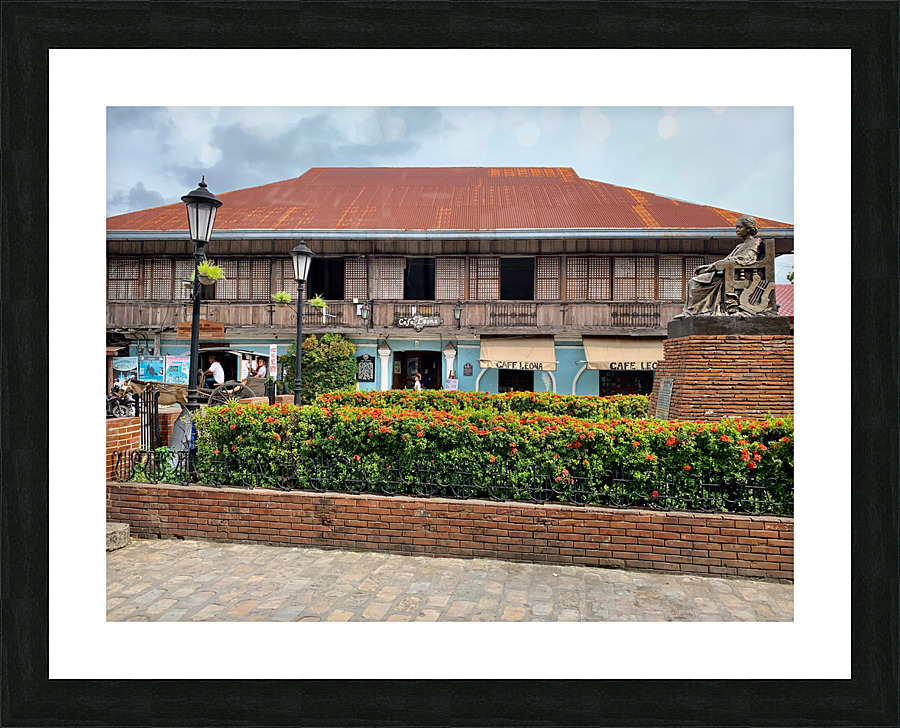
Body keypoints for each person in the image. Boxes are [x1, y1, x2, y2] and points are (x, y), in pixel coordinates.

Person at [681, 215, 765, 316]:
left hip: (735, 275)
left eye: (740, 227)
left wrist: (718, 265)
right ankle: (692, 310)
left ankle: (697, 310)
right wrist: (709, 266)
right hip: (727, 272)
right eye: (736, 227)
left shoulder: (755, 242)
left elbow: (747, 258)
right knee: (694, 280)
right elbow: (726, 259)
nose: (737, 230)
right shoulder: (740, 246)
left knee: (696, 282)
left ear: (748, 229)